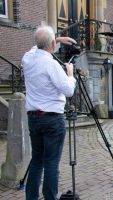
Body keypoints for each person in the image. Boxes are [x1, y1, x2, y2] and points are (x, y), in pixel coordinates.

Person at [22, 25, 77, 200]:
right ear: (52, 44)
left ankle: (31, 197)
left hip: (33, 119)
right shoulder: (51, 64)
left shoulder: (27, 59)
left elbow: (36, 46)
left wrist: (57, 39)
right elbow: (68, 90)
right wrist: (70, 74)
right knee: (51, 163)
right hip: (52, 120)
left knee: (37, 161)